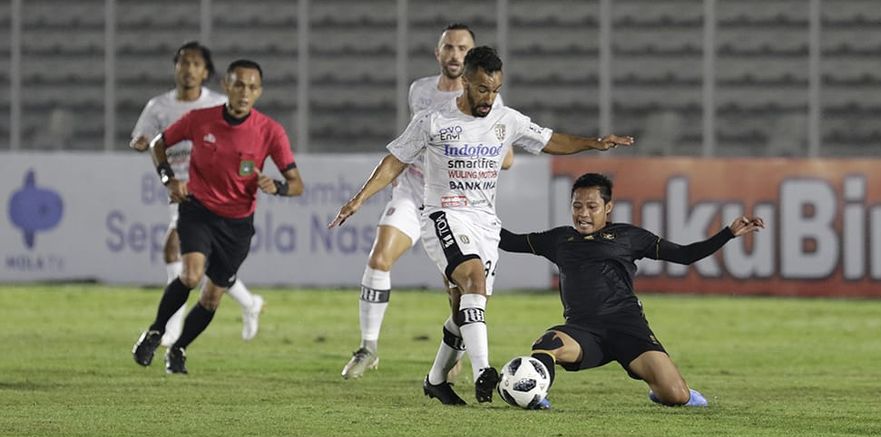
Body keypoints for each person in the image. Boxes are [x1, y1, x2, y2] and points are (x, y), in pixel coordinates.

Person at [329, 46, 634, 405]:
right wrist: (359, 199)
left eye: (495, 89)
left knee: (465, 309)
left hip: (485, 224)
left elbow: (550, 139)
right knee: (472, 278)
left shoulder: (506, 119)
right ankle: (484, 371)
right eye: (482, 89)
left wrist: (592, 144)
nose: (489, 97)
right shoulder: (432, 120)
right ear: (466, 82)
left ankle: (436, 380)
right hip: (442, 214)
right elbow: (394, 162)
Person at [499, 173, 765, 409]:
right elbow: (509, 241)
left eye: (592, 207)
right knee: (547, 345)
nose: (583, 214)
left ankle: (670, 391)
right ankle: (534, 396)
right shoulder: (559, 239)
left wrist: (727, 234)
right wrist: (472, 216)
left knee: (676, 395)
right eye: (577, 206)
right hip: (583, 330)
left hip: (628, 328)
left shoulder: (629, 237)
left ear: (608, 207)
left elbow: (685, 255)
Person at [341, 24, 514, 380]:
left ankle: (456, 358)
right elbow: (410, 143)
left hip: (456, 201)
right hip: (413, 190)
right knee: (379, 257)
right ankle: (368, 348)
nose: (454, 54)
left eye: (463, 48)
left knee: (457, 289)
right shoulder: (419, 91)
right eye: (448, 47)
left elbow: (507, 155)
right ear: (438, 53)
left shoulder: (489, 98)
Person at [131, 59, 304, 374]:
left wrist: (276, 186)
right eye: (238, 84)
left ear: (260, 91)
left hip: (237, 225)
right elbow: (159, 144)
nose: (244, 92)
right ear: (226, 86)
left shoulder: (270, 131)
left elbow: (297, 185)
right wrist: (168, 179)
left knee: (211, 298)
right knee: (191, 275)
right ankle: (155, 332)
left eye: (252, 87)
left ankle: (179, 348)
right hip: (198, 210)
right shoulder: (200, 119)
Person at [131, 42, 265, 345]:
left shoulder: (217, 104)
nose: (188, 69)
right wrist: (141, 143)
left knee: (176, 252)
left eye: (195, 63)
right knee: (201, 264)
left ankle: (171, 327)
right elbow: (146, 139)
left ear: (206, 71)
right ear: (175, 67)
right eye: (183, 62)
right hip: (177, 187)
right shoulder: (158, 106)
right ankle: (248, 302)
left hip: (207, 191)